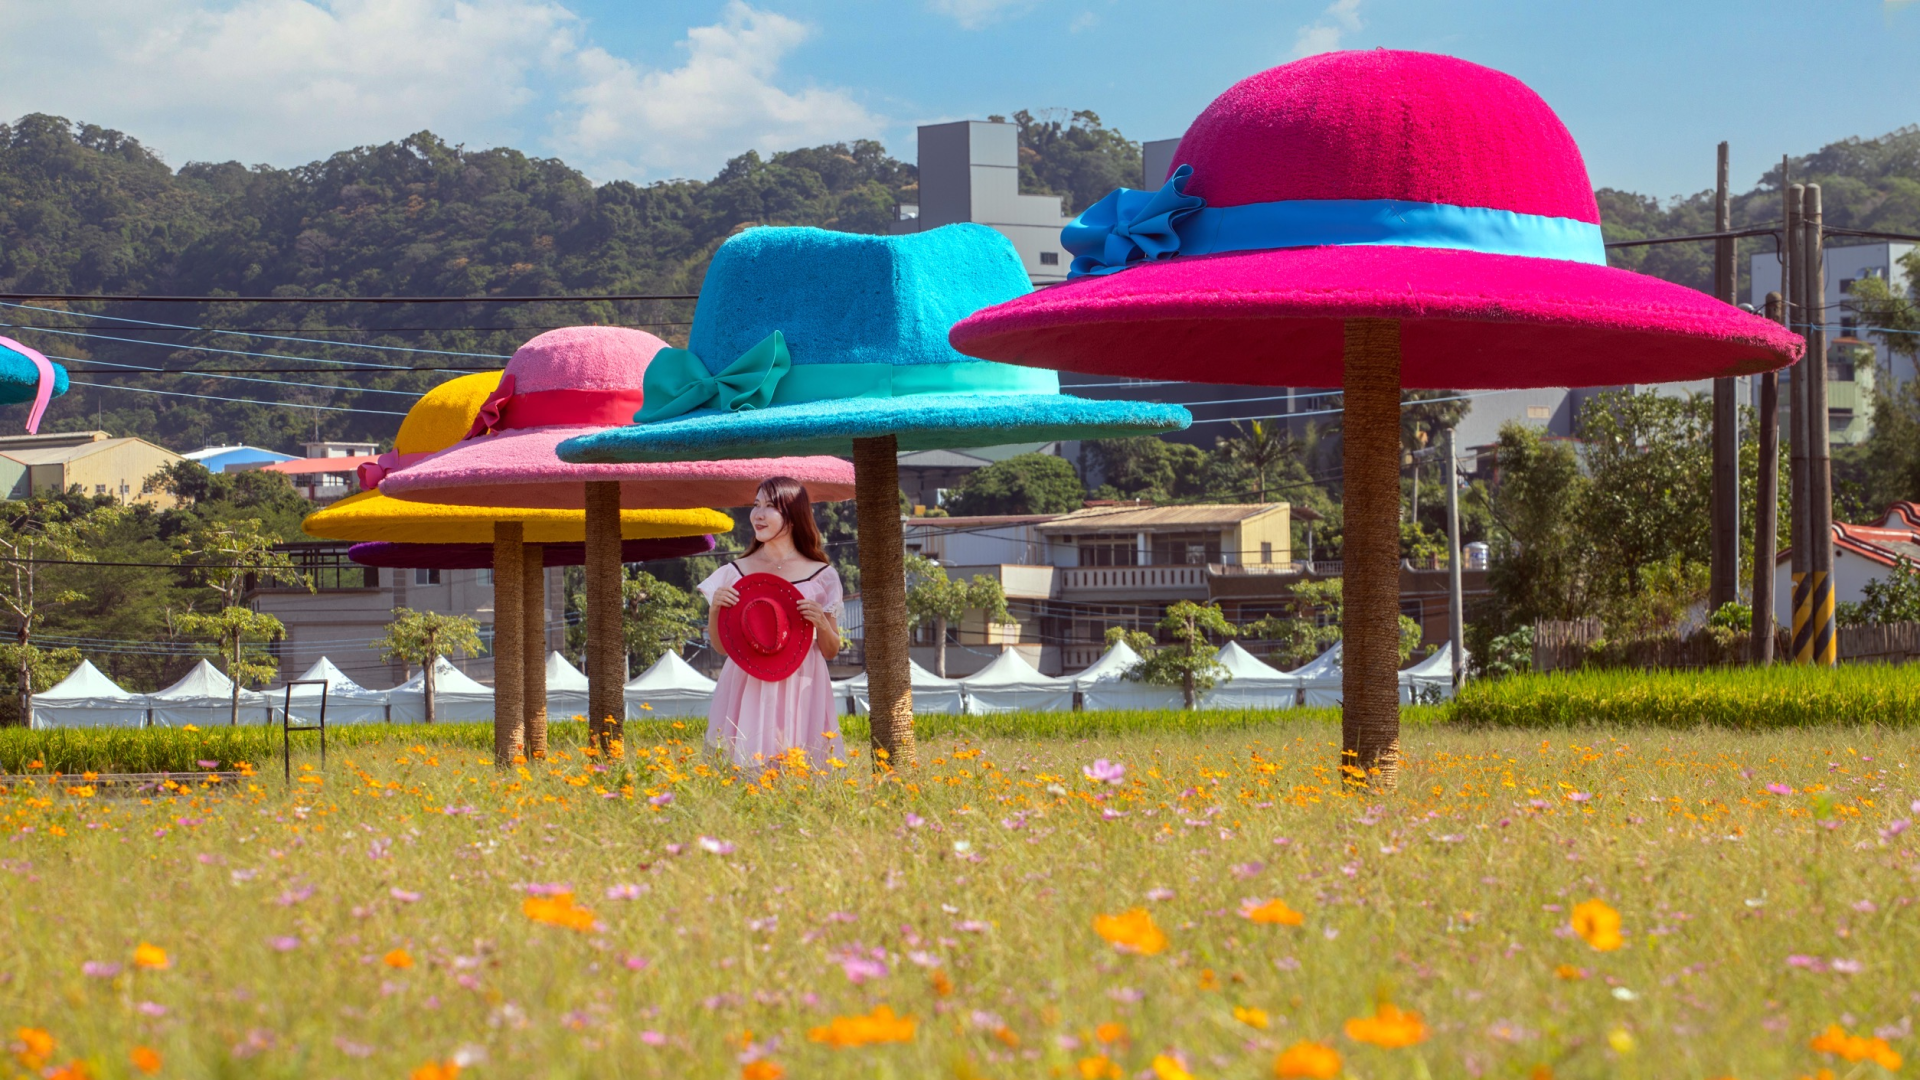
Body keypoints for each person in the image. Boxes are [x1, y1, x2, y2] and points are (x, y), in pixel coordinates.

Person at [698, 476, 843, 767]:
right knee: (744, 764)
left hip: (803, 680)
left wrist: (821, 623)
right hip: (746, 678)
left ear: (793, 515)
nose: (758, 514)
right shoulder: (733, 572)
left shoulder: (822, 575)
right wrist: (715, 610)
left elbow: (831, 650)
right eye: (756, 505)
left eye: (769, 506)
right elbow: (722, 648)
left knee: (800, 767)